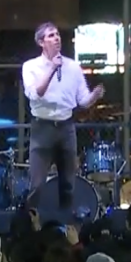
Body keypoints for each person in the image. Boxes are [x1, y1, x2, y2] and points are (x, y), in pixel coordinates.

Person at [21, 22, 104, 223]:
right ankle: (29, 223)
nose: (56, 38)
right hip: (42, 128)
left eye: (57, 34)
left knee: (68, 183)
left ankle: (68, 227)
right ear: (41, 42)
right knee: (37, 183)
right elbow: (35, 94)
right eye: (50, 36)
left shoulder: (73, 67)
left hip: (66, 128)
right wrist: (52, 68)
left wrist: (94, 96)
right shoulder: (30, 66)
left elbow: (82, 100)